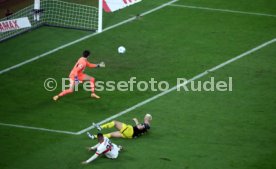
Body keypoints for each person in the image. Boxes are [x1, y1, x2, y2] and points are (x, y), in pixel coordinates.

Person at [87, 114, 152, 139]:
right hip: (130, 136)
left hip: (130, 130)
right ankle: (93, 136)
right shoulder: (147, 126)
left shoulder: (145, 125)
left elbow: (139, 127)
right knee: (111, 134)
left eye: (146, 117)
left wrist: (136, 121)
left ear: (148, 119)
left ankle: (100, 127)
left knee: (115, 122)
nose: (145, 117)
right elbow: (144, 130)